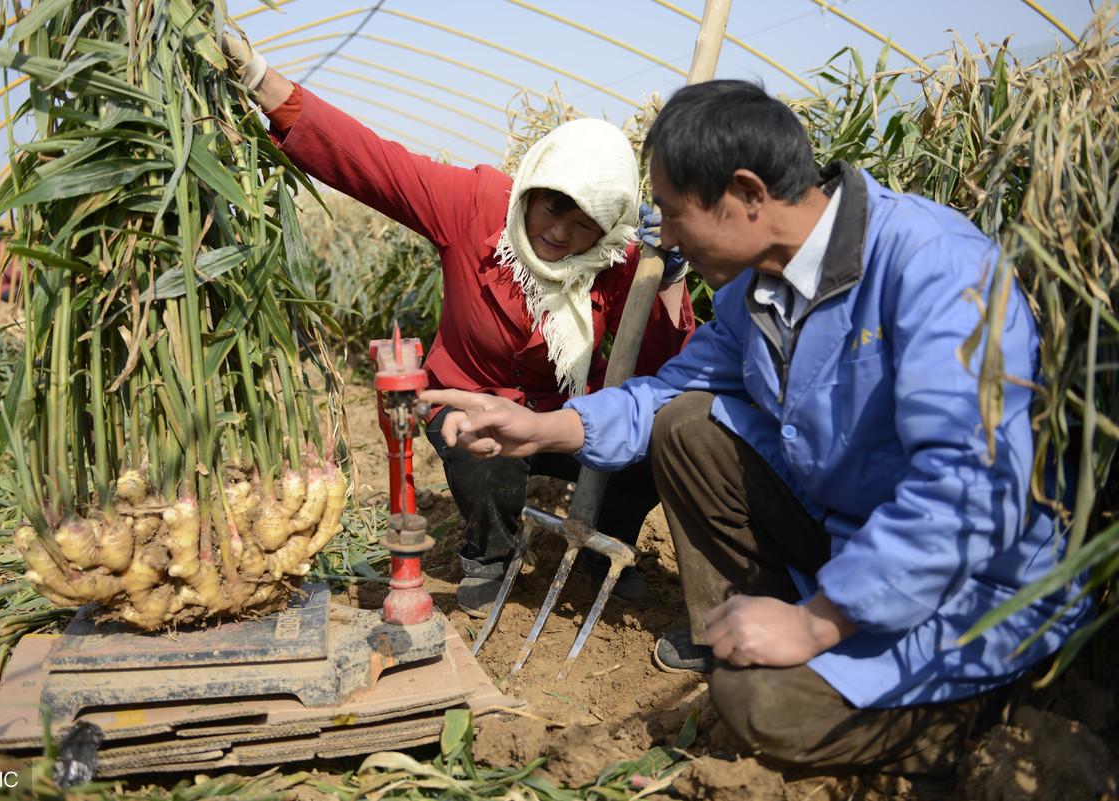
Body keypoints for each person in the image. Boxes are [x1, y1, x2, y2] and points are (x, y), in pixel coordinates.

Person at [421, 80, 1091, 775]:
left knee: (755, 706)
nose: (666, 239)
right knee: (688, 424)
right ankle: (748, 633)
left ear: (745, 193)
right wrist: (540, 429)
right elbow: (667, 396)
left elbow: (966, 488)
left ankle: (977, 717)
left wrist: (816, 622)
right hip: (851, 537)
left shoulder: (937, 268)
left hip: (967, 591)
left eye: (675, 215)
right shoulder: (754, 290)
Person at [221, 37, 695, 616]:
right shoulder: (475, 204)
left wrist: (669, 279)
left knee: (652, 443)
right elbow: (374, 164)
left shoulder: (620, 262)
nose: (561, 234)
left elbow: (659, 373)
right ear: (531, 189)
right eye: (552, 208)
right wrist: (268, 85)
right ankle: (491, 553)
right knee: (483, 453)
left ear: (610, 226)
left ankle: (604, 546)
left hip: (568, 412)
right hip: (470, 394)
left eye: (584, 224)